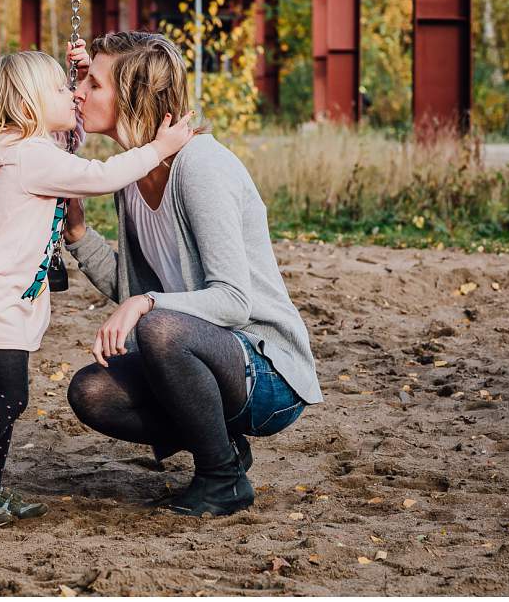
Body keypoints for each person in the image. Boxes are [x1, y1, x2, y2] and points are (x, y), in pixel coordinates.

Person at [0, 51, 196, 530]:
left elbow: (72, 137)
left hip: (0, 295)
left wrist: (85, 71)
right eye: (64, 90)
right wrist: (160, 148)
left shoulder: (27, 146)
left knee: (6, 398)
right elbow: (100, 176)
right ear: (28, 106)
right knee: (8, 400)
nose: (76, 95)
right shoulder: (30, 157)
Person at [61, 32, 324, 517]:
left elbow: (231, 301)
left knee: (157, 324)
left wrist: (147, 304)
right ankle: (222, 449)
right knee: (91, 392)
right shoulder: (133, 174)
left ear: (134, 96)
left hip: (265, 371)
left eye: (94, 85)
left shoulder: (200, 166)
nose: (79, 93)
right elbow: (131, 287)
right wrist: (78, 236)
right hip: (196, 357)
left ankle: (221, 480)